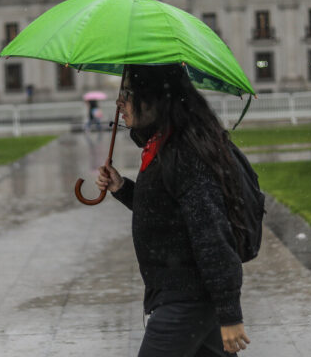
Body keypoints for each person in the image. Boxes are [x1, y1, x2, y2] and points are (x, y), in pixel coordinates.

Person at [96, 64, 251, 357]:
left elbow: (213, 236)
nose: (119, 102)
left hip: (187, 300)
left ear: (154, 98)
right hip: (185, 296)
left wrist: (230, 313)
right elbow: (167, 212)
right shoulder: (163, 146)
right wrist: (122, 188)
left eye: (127, 93)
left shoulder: (185, 153)